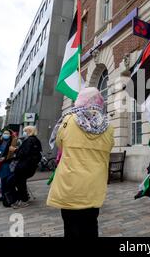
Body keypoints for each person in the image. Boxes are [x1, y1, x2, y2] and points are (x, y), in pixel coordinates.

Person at [47, 87, 114, 238]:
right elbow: (109, 147)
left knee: (70, 226)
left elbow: (60, 144)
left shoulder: (67, 120)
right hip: (94, 186)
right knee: (91, 224)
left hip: (70, 186)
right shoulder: (109, 126)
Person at [9, 126, 42, 209]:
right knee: (21, 182)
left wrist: (15, 150)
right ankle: (24, 198)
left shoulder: (29, 140)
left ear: (29, 131)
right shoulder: (36, 140)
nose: (24, 133)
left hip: (24, 166)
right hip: (30, 166)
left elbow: (24, 153)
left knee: (19, 182)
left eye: (25, 131)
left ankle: (23, 200)